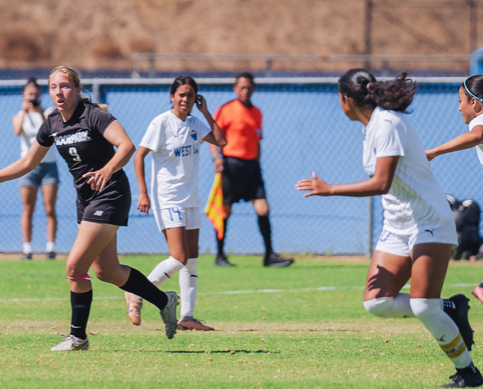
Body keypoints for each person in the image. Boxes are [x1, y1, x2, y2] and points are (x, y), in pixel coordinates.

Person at [0, 65, 179, 351]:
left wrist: (107, 169)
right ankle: (165, 301)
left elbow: (126, 146)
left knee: (75, 266)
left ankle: (78, 337)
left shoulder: (94, 116)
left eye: (64, 86)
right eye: (53, 87)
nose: (58, 92)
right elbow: (27, 163)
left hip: (110, 193)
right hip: (85, 199)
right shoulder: (51, 123)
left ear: (77, 89)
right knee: (107, 272)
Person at [296, 68, 482, 388]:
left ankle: (468, 372)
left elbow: (381, 183)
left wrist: (330, 189)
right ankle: (451, 307)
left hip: (429, 221)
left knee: (425, 306)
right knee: (377, 303)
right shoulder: (371, 128)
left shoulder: (388, 124)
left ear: (345, 99)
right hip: (398, 225)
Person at [126, 76, 227, 331]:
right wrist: (143, 193)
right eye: (181, 94)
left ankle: (188, 317)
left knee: (191, 259)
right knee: (179, 257)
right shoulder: (161, 123)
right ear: (172, 96)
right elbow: (139, 156)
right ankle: (136, 292)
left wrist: (205, 112)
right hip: (167, 198)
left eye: (190, 95)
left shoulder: (196, 123)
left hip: (190, 200)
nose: (185, 99)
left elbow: (222, 141)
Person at [208, 72, 294, 268]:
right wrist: (216, 157)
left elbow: (257, 140)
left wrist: (257, 163)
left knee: (263, 208)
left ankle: (269, 255)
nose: (245, 91)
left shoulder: (257, 112)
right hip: (230, 165)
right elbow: (213, 135)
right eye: (241, 87)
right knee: (225, 211)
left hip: (252, 167)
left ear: (253, 89)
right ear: (235, 88)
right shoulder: (226, 109)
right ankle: (220, 255)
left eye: (248, 87)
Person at [424, 75, 483, 305]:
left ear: (475, 104)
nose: (459, 107)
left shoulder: (479, 121)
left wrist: (434, 151)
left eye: (461, 101)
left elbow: (478, 134)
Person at [12, 77, 59, 260]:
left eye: (36, 95)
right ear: (24, 95)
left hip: (49, 165)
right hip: (27, 166)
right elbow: (17, 131)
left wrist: (38, 111)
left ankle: (50, 248)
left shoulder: (48, 112)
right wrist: (25, 111)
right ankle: (27, 249)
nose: (33, 98)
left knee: (49, 209)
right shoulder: (18, 115)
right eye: (30, 95)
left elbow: (51, 129)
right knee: (28, 209)